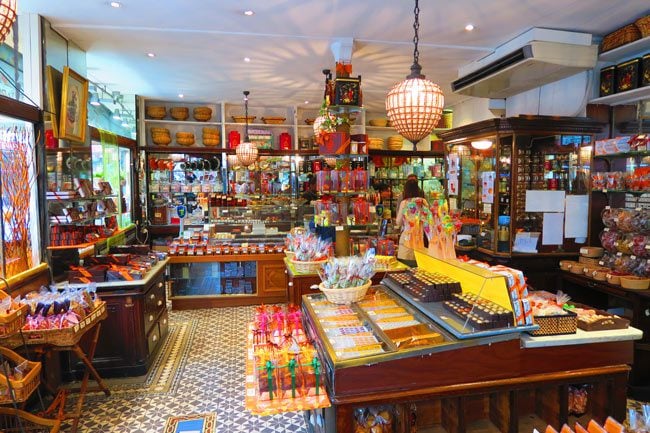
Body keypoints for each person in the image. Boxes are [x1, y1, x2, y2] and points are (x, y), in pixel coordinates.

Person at [395, 179, 430, 267]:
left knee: (404, 268)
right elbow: (429, 221)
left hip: (406, 239)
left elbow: (398, 222)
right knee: (417, 269)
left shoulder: (404, 203)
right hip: (419, 239)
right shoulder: (423, 202)